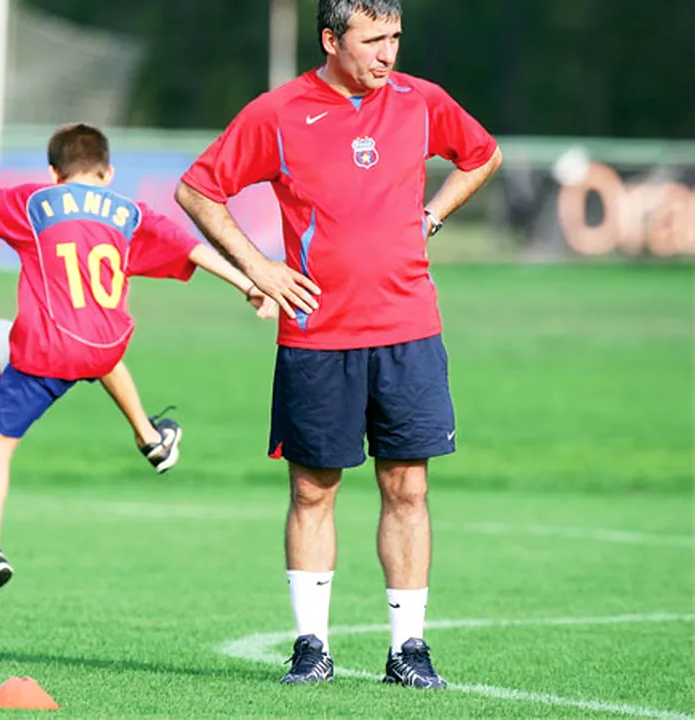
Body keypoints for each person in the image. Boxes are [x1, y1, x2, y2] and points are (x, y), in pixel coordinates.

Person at [175, 0, 502, 689]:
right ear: (331, 39)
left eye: (396, 38)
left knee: (407, 486)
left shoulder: (421, 100)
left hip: (409, 330)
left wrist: (433, 216)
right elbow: (198, 192)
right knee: (313, 489)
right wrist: (259, 267)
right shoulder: (279, 112)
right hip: (317, 336)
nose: (388, 54)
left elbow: (483, 154)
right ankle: (311, 648)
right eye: (373, 39)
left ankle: (408, 649)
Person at [0, 122, 276, 614]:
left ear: (54, 172)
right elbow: (192, 249)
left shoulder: (35, 201)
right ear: (108, 172)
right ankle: (150, 438)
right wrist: (248, 282)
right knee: (102, 350)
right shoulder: (129, 211)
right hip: (105, 343)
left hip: (46, 352)